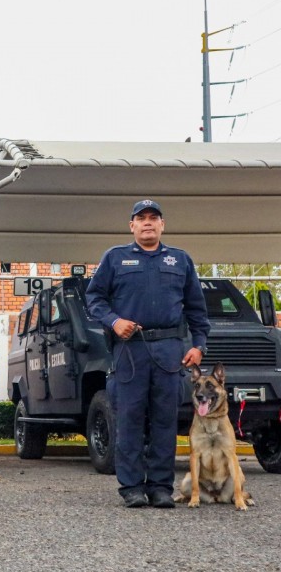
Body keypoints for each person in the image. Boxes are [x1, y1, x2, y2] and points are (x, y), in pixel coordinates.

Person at [85, 199, 210, 509]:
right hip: (131, 350)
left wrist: (198, 345)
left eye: (154, 217)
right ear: (132, 226)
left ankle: (160, 487)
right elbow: (94, 299)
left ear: (162, 225)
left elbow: (197, 309)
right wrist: (114, 321)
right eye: (141, 218)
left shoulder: (180, 260)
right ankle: (131, 487)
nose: (148, 222)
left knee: (165, 421)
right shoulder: (115, 258)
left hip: (169, 351)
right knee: (129, 419)